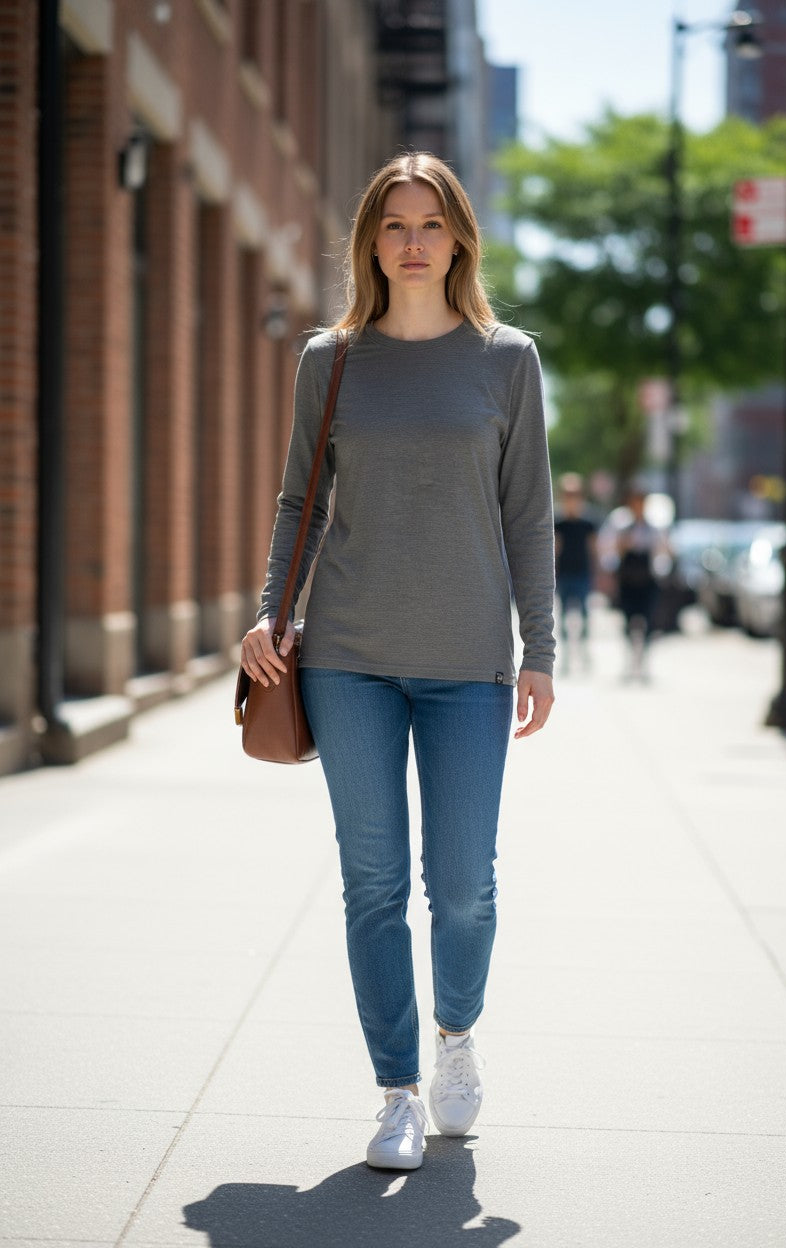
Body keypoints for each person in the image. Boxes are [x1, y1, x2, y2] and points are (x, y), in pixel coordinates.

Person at [240, 152, 556, 1172]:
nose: (412, 243)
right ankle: (396, 1092)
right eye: (392, 226)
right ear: (368, 242)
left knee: (462, 885)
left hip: (468, 660)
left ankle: (455, 1035)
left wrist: (540, 649)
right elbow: (298, 501)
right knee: (372, 885)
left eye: (430, 224)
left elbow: (530, 516)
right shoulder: (329, 361)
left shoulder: (507, 360)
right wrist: (267, 615)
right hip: (348, 656)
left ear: (459, 236)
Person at [615, 486, 663, 681]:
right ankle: (630, 662)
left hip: (646, 580)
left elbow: (662, 550)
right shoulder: (623, 527)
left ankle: (643, 663)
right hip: (627, 581)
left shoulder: (653, 529)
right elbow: (616, 551)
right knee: (627, 624)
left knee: (648, 623)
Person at [554, 473, 597, 672]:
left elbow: (594, 550)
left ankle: (585, 654)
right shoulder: (557, 522)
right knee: (562, 619)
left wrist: (599, 574)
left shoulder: (588, 523)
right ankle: (565, 658)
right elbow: (553, 550)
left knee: (584, 617)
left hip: (582, 574)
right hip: (563, 576)